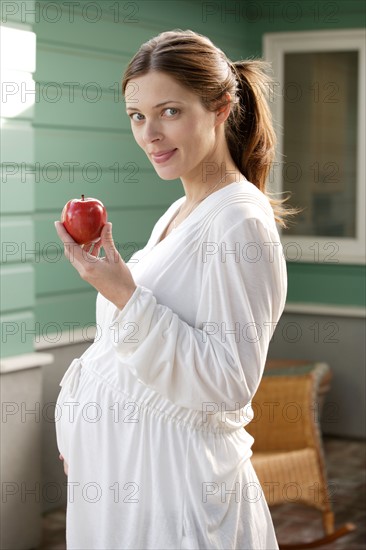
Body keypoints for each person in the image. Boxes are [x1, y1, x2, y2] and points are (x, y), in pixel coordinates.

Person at [54, 29, 298, 550]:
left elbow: (227, 381)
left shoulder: (239, 224)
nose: (149, 135)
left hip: (176, 493)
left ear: (221, 107)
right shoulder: (181, 212)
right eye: (137, 117)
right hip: (127, 487)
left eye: (169, 112)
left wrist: (125, 295)